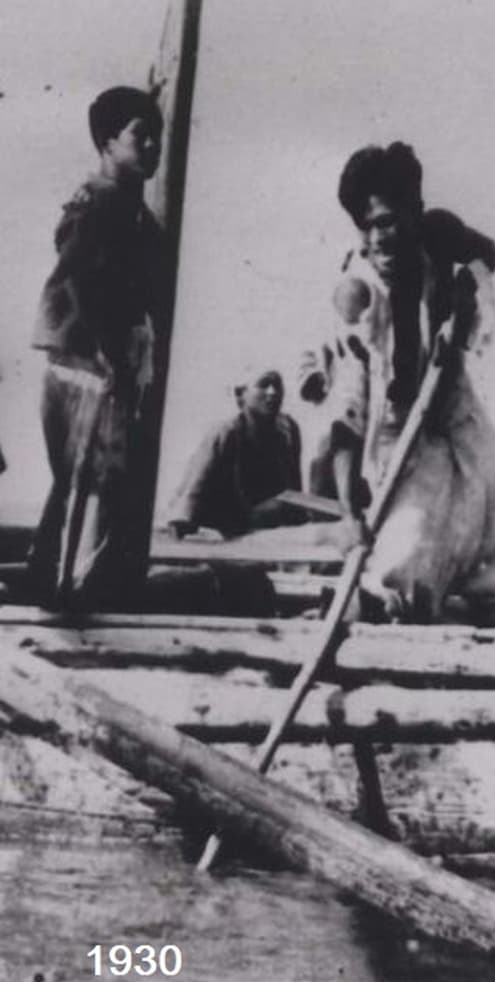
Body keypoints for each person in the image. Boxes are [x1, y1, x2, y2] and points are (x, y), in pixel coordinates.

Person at [305, 141, 495, 623]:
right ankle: (373, 605)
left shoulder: (438, 233)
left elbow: (487, 253)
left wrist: (465, 286)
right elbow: (346, 419)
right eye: (367, 225)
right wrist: (349, 516)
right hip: (395, 438)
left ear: (415, 213)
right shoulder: (357, 295)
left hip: (453, 407)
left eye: (388, 221)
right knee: (413, 548)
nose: (378, 237)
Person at [27, 86, 165, 610]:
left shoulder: (137, 216)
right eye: (139, 135)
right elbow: (83, 278)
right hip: (82, 361)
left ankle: (57, 582)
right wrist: (110, 353)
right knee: (86, 475)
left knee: (92, 478)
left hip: (109, 361)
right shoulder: (98, 200)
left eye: (157, 136)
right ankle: (65, 591)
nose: (151, 145)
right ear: (108, 141)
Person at [167, 370, 303, 538]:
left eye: (277, 385)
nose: (272, 392)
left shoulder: (287, 432)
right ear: (241, 395)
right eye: (263, 385)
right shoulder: (225, 433)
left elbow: (294, 493)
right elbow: (193, 492)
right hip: (224, 531)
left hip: (267, 532)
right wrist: (183, 524)